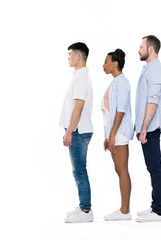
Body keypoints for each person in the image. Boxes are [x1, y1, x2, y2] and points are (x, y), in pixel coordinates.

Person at [135, 35, 161, 222]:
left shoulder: (156, 70)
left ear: (150, 49)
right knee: (152, 167)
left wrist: (144, 129)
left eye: (141, 46)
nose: (138, 50)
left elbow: (152, 101)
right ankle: (155, 206)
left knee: (155, 167)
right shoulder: (150, 69)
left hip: (150, 128)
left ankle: (159, 211)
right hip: (146, 127)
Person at [59, 42, 94, 223]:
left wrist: (69, 132)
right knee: (79, 170)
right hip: (78, 130)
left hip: (78, 131)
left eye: (70, 54)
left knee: (79, 171)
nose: (68, 58)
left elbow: (78, 107)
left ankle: (86, 210)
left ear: (78, 56)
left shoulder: (81, 78)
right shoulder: (79, 76)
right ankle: (83, 206)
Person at [101, 49, 134, 221]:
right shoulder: (115, 83)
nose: (103, 65)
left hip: (119, 132)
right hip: (114, 132)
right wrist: (107, 136)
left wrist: (113, 135)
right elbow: (109, 112)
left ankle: (125, 211)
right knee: (119, 169)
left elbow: (121, 111)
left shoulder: (122, 83)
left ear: (115, 63)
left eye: (106, 61)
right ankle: (123, 209)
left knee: (122, 170)